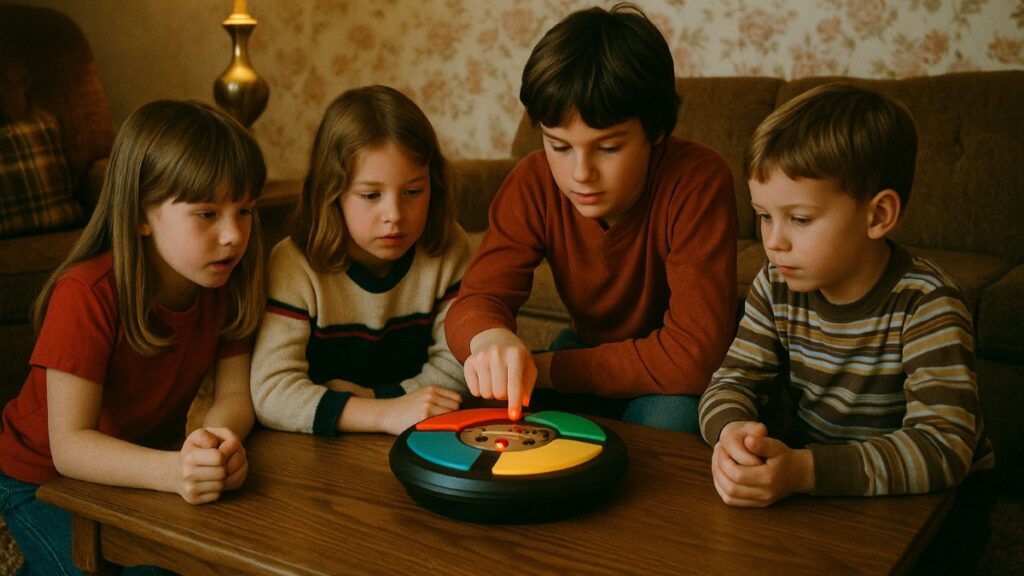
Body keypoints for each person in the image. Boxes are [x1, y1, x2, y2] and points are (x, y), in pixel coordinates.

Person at [697, 83, 995, 572]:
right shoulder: (775, 285)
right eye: (764, 216)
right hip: (827, 477)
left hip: (940, 504)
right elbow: (730, 381)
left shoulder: (928, 304)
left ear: (878, 215)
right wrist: (732, 432)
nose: (774, 242)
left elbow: (944, 447)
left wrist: (805, 471)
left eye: (799, 219)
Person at [444, 3, 737, 431]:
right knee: (482, 403)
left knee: (673, 420)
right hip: (586, 347)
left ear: (656, 132)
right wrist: (491, 338)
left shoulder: (699, 179)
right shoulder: (532, 181)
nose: (580, 173)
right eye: (559, 146)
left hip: (670, 379)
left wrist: (547, 368)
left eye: (609, 147)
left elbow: (694, 356)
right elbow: (475, 302)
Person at [0, 100, 265, 574]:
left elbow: (233, 396)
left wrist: (215, 443)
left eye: (244, 210)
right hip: (41, 477)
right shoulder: (86, 295)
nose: (233, 235)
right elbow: (70, 446)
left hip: (144, 462)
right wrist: (173, 472)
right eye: (207, 213)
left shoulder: (228, 284)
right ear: (141, 215)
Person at [250, 85, 471, 437]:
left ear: (435, 185)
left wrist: (376, 399)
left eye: (413, 191)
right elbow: (271, 393)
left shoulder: (450, 248)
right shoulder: (293, 264)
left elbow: (460, 368)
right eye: (370, 195)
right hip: (319, 446)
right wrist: (383, 414)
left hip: (415, 436)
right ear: (332, 193)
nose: (394, 215)